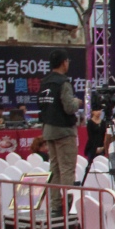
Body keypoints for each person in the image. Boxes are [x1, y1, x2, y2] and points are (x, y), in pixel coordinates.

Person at [37, 49, 83, 194]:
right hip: (64, 130)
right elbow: (69, 108)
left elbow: (41, 105)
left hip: (48, 130)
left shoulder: (44, 82)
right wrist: (77, 102)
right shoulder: (63, 82)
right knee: (67, 168)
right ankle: (68, 204)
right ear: (64, 63)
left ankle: (55, 203)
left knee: (54, 169)